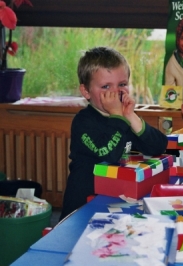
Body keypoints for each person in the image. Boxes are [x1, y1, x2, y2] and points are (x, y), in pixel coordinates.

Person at [59, 47, 168, 221]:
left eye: (122, 85)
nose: (115, 92)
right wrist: (118, 116)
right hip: (82, 206)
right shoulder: (83, 122)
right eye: (106, 86)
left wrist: (131, 117)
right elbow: (109, 154)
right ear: (86, 91)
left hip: (113, 201)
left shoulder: (124, 118)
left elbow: (159, 146)